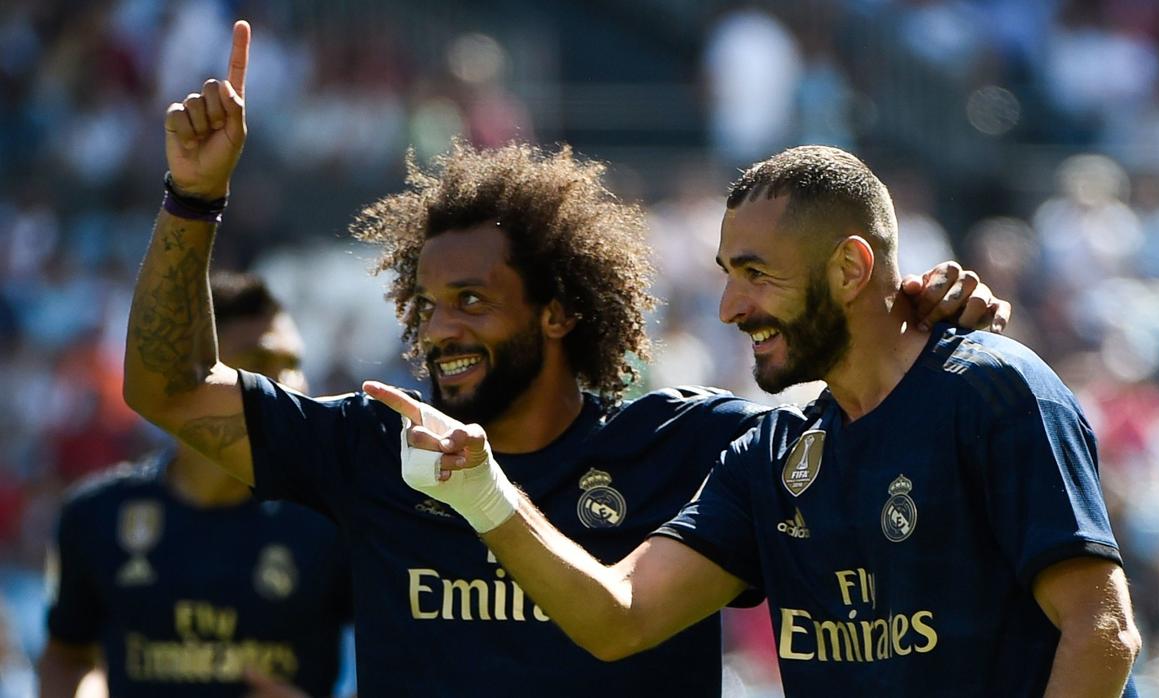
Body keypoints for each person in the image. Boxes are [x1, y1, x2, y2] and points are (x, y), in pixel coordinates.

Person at [123, 21, 1009, 696]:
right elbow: (164, 388)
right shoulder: (376, 446)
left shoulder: (696, 449)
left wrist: (919, 327)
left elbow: (878, 447)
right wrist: (194, 199)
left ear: (557, 313)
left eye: (471, 301)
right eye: (427, 306)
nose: (439, 330)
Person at [376, 145, 1143, 697]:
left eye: (755, 275)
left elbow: (1102, 635)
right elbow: (620, 616)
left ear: (848, 269)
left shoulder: (991, 392)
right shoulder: (772, 457)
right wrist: (483, 494)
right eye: (726, 276)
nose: (729, 309)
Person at [41, 272, 353, 698]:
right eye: (260, 365)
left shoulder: (335, 520)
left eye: (294, 366)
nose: (289, 388)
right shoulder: (96, 514)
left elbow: (413, 662)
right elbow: (67, 656)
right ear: (194, 379)